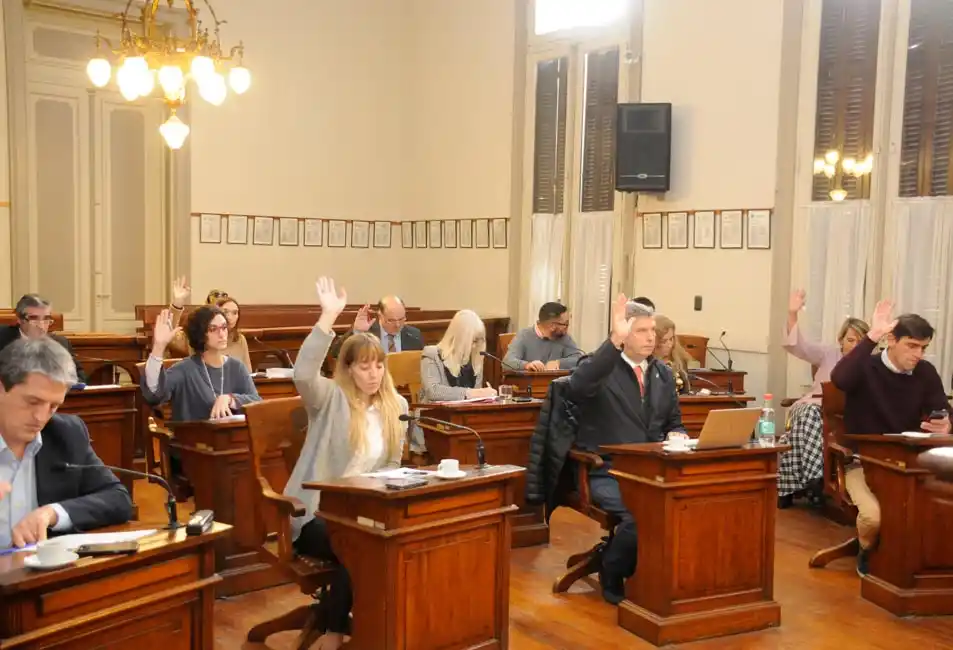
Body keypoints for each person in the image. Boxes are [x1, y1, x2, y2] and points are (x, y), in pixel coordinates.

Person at [283, 277, 408, 650]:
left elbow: (393, 466)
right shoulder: (331, 399)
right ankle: (336, 630)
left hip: (365, 512)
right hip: (315, 514)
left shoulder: (395, 407)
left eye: (378, 367)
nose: (373, 375)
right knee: (363, 547)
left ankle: (387, 627)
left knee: (387, 541)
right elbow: (303, 374)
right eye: (364, 368)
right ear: (349, 369)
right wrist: (328, 318)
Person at [569, 295, 686, 604]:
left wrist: (677, 435)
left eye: (652, 331)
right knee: (643, 514)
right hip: (607, 471)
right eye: (641, 331)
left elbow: (674, 420)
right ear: (622, 334)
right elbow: (579, 386)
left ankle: (666, 576)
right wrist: (613, 342)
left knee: (686, 506)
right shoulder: (599, 367)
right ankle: (613, 568)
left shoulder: (661, 374)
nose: (651, 337)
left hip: (652, 469)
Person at [830, 300, 951, 576]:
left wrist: (945, 425)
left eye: (923, 348)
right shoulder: (866, 368)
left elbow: (943, 411)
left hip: (909, 461)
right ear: (891, 341)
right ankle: (867, 550)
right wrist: (871, 336)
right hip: (862, 460)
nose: (918, 354)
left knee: (939, 507)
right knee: (874, 518)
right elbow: (840, 378)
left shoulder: (925, 373)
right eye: (911, 346)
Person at [0, 338, 133, 548]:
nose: (41, 417)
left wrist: (52, 513)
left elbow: (118, 499)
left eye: (53, 406)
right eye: (32, 402)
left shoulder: (65, 434)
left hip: (42, 576)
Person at [778, 289, 870, 508]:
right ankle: (816, 477)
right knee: (809, 414)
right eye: (850, 340)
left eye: (861, 341)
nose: (854, 346)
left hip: (842, 415)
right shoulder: (828, 353)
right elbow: (797, 346)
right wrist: (792, 314)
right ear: (840, 340)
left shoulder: (871, 364)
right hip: (812, 406)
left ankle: (801, 484)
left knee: (792, 437)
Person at [141, 305, 261, 421]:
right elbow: (154, 394)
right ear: (200, 334)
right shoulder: (184, 369)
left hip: (229, 438)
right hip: (192, 439)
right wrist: (158, 347)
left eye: (224, 327)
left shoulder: (236, 366)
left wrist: (229, 399)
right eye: (213, 329)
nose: (221, 334)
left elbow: (257, 402)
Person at [0, 294, 86, 383]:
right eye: (34, 318)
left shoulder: (60, 343)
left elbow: (79, 378)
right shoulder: (3, 338)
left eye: (46, 319)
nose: (41, 326)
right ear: (19, 319)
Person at [420, 310, 497, 402]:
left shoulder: (475, 357)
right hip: (434, 413)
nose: (474, 346)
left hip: (466, 413)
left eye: (478, 341)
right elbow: (433, 391)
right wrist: (470, 393)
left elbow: (476, 397)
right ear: (460, 337)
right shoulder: (432, 354)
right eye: (473, 341)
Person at [503, 302, 583, 371]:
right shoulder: (524, 335)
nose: (567, 327)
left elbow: (579, 360)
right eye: (565, 324)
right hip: (529, 385)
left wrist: (559, 363)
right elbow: (507, 362)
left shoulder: (564, 337)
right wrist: (527, 365)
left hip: (557, 385)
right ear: (552, 326)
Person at [351, 296, 424, 353]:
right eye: (391, 320)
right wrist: (357, 332)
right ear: (380, 316)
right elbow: (343, 356)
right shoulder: (368, 332)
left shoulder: (414, 335)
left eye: (401, 319)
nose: (397, 325)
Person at [653, 315, 693, 394]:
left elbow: (686, 390)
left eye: (671, 339)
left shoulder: (680, 358)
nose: (669, 344)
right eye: (664, 341)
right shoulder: (644, 362)